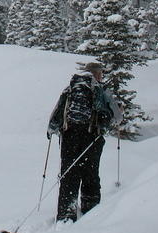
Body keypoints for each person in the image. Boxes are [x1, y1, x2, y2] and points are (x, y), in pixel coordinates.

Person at [47, 61, 119, 223]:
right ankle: (91, 210)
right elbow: (116, 116)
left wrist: (52, 130)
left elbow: (56, 114)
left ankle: (66, 213)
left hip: (68, 136)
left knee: (68, 173)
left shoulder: (70, 88)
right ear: (98, 74)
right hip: (91, 137)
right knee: (90, 173)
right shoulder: (100, 90)